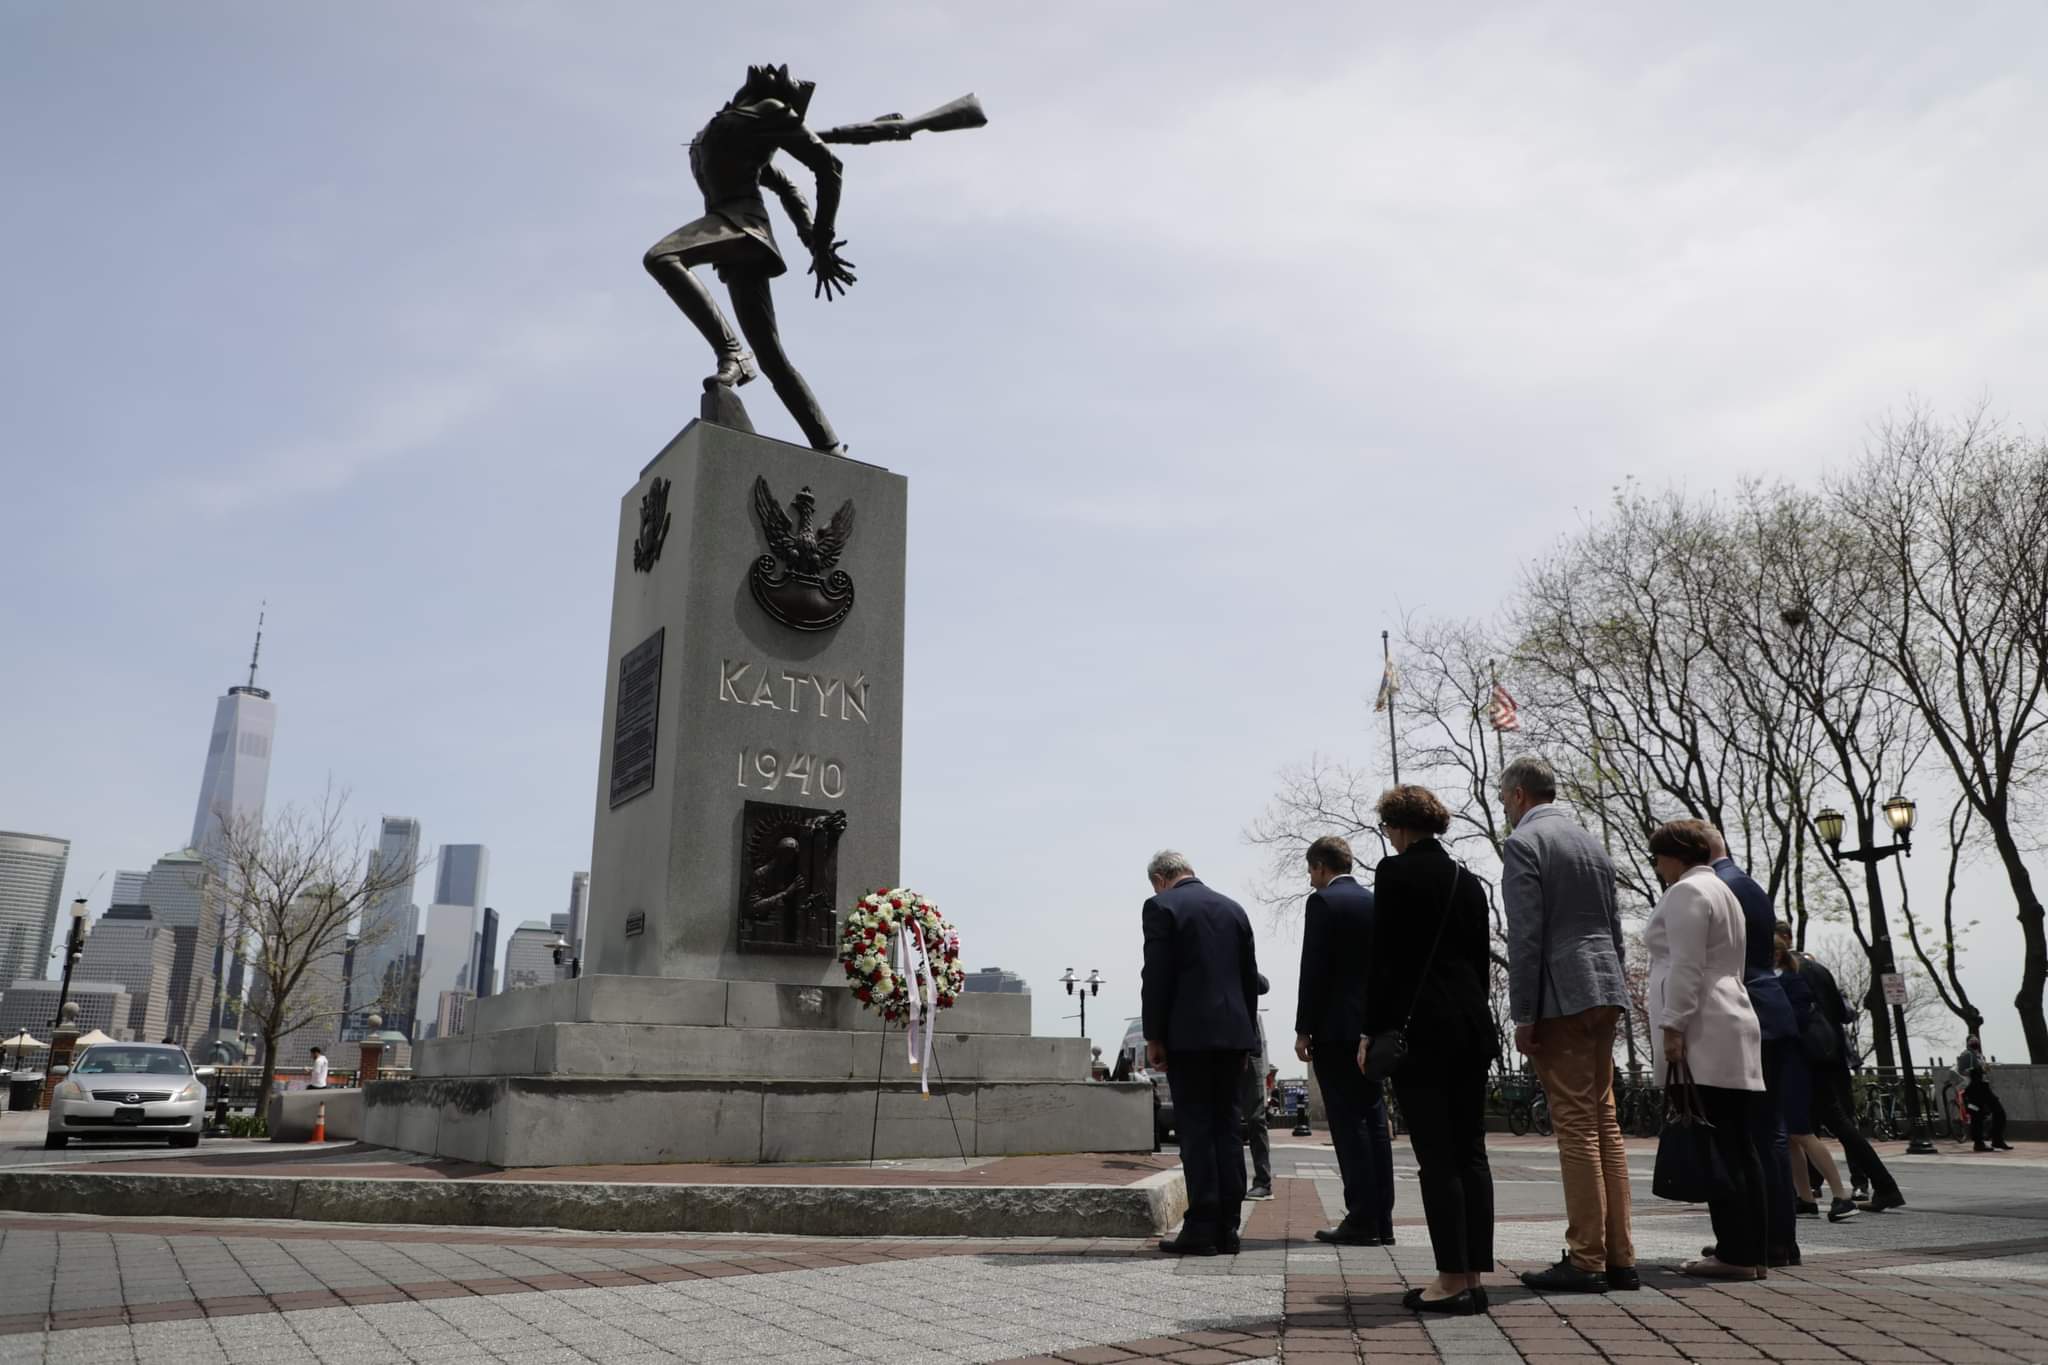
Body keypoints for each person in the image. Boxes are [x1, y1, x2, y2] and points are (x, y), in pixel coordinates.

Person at [643, 64, 858, 453]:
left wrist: (818, 239)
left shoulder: (769, 112)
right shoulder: (736, 123)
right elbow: (784, 183)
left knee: (662, 258)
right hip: (729, 235)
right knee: (773, 359)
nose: (777, 69)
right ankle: (827, 445)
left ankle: (732, 353)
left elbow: (828, 168)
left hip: (740, 227)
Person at [1498, 756, 1637, 1293]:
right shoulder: (1591, 844)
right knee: (1605, 1123)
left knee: (1576, 1126)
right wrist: (1615, 986)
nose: (1504, 808)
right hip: (1604, 985)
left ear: (1518, 795)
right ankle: (1620, 1254)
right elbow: (1615, 926)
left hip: (1561, 993)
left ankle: (1586, 1257)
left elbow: (1526, 935)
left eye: (1503, 799)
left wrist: (1524, 1013)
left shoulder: (1524, 844)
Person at [1361, 786, 1499, 1315]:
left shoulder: (1394, 873)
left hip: (1422, 1030)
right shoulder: (1468, 878)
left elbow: (1385, 960)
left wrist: (1372, 1030)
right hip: (1471, 1025)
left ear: (1397, 827)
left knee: (1436, 1156)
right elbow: (1480, 961)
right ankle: (1473, 1273)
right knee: (1471, 1152)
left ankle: (1450, 1278)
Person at [1645, 819, 1768, 1280]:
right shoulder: (1722, 890)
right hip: (1730, 1015)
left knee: (1716, 1142)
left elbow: (1686, 965)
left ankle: (1735, 1253)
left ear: (1674, 856)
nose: (1657, 867)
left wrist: (1673, 1025)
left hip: (1703, 1026)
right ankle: (1750, 1249)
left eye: (1658, 858)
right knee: (1738, 1144)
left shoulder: (1686, 892)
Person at [1141, 849, 1262, 1256]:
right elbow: (1248, 978)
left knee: (1196, 1131)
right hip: (1232, 1036)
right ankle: (1229, 1226)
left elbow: (1156, 976)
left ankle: (1202, 1226)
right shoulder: (1233, 909)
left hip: (1189, 1036)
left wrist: (1154, 1036)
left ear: (1160, 879)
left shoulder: (1161, 907)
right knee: (1227, 1128)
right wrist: (1248, 1039)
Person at [1293, 834, 1392, 1245]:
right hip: (1372, 1028)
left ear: (1320, 866)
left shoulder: (1322, 903)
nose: (1310, 878)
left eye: (1311, 870)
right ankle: (1382, 1218)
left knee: (1347, 1124)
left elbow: (1314, 968)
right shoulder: (1375, 902)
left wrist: (1303, 1028)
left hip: (1335, 1029)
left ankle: (1361, 1217)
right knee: (1374, 1121)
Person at [1708, 832, 1801, 1266]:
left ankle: (1760, 1239)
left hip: (1749, 1010)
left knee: (1751, 1135)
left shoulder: (1719, 886)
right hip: (1771, 1010)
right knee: (1770, 1134)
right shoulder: (1746, 883)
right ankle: (1777, 1239)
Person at [1776, 924, 1907, 1214]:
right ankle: (1815, 1191)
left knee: (1821, 1126)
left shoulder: (1791, 974)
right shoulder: (1817, 969)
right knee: (1824, 1124)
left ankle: (1874, 1186)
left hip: (1807, 1059)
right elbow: (1840, 1011)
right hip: (1831, 1053)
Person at [1777, 935, 1859, 1222]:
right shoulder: (1788, 979)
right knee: (1792, 1136)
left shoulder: (1789, 982)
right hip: (1790, 1064)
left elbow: (1792, 1022)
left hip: (1793, 1066)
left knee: (1802, 1132)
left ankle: (1841, 1195)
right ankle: (1805, 1198)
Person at [1241, 974, 1275, 1199]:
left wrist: (1243, 959)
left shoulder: (1241, 961)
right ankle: (1231, 1181)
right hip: (1220, 1047)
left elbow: (1263, 986)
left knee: (1255, 1118)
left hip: (1249, 1050)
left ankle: (1263, 1181)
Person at [1956, 1035, 2012, 1152]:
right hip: (1974, 1088)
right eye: (1972, 1041)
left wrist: (1985, 1068)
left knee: (1999, 1112)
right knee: (1977, 1115)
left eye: (1976, 1040)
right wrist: (1975, 1071)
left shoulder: (1980, 1055)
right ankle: (1979, 1143)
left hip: (1983, 1086)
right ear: (1967, 1043)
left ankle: (1997, 1139)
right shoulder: (1966, 1054)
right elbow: (1961, 1070)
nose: (1975, 1042)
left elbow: (1983, 1071)